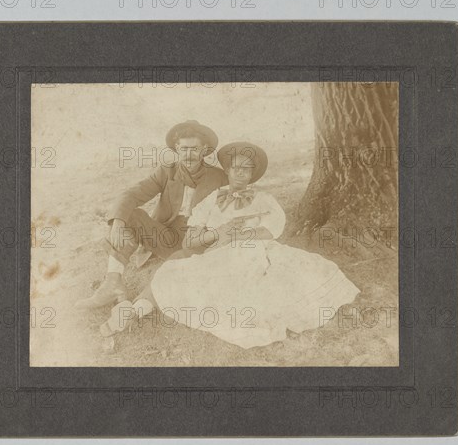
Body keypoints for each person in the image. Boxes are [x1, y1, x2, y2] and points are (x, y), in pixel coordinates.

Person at [100, 142, 360, 349]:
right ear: (229, 171)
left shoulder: (262, 198)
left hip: (251, 252)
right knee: (173, 271)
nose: (239, 173)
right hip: (211, 248)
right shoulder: (213, 200)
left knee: (243, 285)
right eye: (235, 168)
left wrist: (244, 234)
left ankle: (138, 309)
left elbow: (273, 229)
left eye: (246, 170)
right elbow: (193, 238)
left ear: (251, 175)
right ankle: (133, 309)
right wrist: (217, 233)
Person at [76, 120, 228, 310]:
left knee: (171, 273)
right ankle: (112, 284)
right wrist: (118, 222)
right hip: (164, 237)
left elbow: (231, 210)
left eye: (194, 149)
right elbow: (132, 193)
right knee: (130, 215)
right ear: (177, 149)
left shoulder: (219, 177)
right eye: (184, 149)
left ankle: (140, 306)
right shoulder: (167, 171)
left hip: (197, 242)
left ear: (204, 149)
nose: (188, 155)